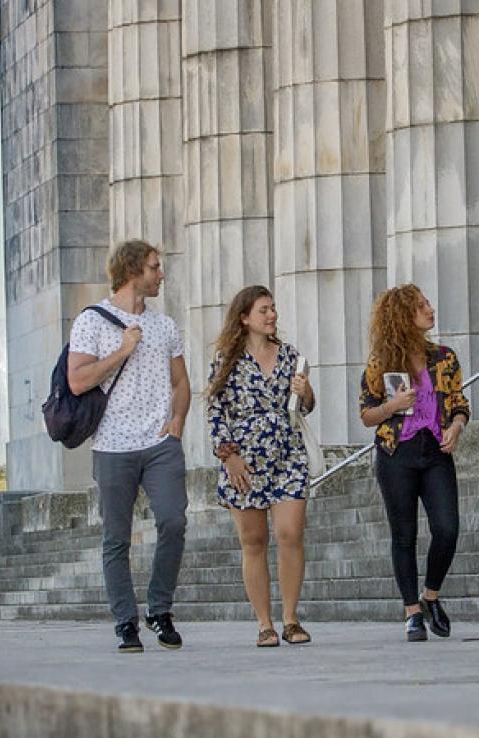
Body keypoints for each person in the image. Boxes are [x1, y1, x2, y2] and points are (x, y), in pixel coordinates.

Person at [67, 239, 190, 653]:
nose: (161, 274)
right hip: (112, 444)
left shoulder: (165, 325)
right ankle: (125, 621)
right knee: (116, 538)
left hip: (160, 443)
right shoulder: (91, 321)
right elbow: (77, 381)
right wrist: (122, 350)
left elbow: (181, 382)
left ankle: (160, 609)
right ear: (133, 270)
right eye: (155, 267)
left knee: (173, 521)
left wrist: (177, 421)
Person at [206, 285, 316, 648]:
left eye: (273, 308)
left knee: (290, 533)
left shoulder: (290, 355)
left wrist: (305, 391)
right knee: (253, 541)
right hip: (245, 460)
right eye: (263, 310)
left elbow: (305, 406)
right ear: (244, 318)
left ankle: (291, 618)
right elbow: (216, 411)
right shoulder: (226, 359)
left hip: (287, 453)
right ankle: (264, 623)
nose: (272, 315)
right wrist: (229, 456)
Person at [358, 284, 469, 642]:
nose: (430, 309)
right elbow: (367, 414)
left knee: (447, 528)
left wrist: (456, 426)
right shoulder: (382, 363)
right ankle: (412, 612)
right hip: (396, 455)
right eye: (421, 306)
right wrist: (392, 406)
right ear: (403, 317)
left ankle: (431, 596)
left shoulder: (444, 358)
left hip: (436, 451)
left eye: (428, 303)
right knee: (403, 535)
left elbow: (459, 402)